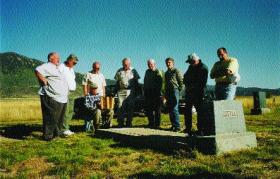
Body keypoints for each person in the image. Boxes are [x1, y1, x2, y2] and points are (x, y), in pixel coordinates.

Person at [35, 52, 68, 141]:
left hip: (61, 97)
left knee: (59, 118)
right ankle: (47, 136)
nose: (59, 59)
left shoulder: (56, 68)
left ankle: (57, 134)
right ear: (50, 58)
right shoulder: (47, 66)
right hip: (51, 96)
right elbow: (37, 70)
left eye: (59, 58)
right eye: (57, 57)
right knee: (51, 117)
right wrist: (44, 81)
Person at [82, 61, 113, 128]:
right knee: (97, 110)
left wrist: (104, 96)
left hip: (100, 96)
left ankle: (106, 125)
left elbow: (103, 86)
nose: (96, 69)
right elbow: (84, 85)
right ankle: (97, 126)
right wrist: (86, 95)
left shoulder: (101, 75)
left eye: (98, 68)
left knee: (110, 110)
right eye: (95, 68)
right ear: (92, 67)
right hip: (91, 96)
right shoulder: (88, 74)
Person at [183, 53, 208, 135]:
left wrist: (192, 85)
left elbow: (202, 82)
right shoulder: (190, 67)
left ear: (195, 60)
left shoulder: (203, 67)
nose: (190, 63)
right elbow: (185, 77)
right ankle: (188, 128)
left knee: (200, 112)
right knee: (187, 110)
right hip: (189, 93)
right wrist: (189, 85)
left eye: (191, 62)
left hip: (199, 93)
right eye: (189, 62)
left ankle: (200, 129)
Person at [114, 58, 140, 127]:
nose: (126, 65)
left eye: (127, 64)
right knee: (120, 107)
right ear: (122, 64)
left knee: (130, 107)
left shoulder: (134, 71)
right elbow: (116, 82)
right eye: (124, 64)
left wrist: (137, 92)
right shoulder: (119, 71)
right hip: (121, 91)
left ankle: (129, 123)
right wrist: (115, 91)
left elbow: (137, 82)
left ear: (130, 64)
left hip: (130, 91)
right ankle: (120, 123)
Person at [60, 54, 78, 136]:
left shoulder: (71, 69)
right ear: (69, 60)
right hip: (65, 91)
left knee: (71, 110)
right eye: (73, 63)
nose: (74, 65)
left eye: (75, 64)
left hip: (72, 92)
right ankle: (64, 129)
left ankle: (66, 127)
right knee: (66, 110)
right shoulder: (61, 67)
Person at [164, 57, 183, 132]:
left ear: (173, 63)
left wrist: (179, 89)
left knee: (175, 108)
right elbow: (165, 83)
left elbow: (181, 81)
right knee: (170, 109)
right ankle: (173, 125)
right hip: (168, 91)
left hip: (175, 90)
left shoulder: (176, 71)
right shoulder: (166, 73)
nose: (168, 64)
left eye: (169, 62)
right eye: (167, 62)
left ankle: (177, 126)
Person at [144, 59, 164, 129]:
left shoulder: (158, 71)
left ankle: (157, 124)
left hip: (156, 93)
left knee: (157, 109)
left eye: (151, 64)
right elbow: (145, 81)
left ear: (154, 64)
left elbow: (161, 83)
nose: (150, 65)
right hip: (148, 92)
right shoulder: (147, 72)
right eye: (149, 64)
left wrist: (161, 93)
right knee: (149, 109)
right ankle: (151, 123)